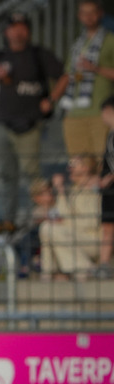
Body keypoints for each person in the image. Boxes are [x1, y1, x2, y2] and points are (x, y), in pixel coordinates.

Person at [0, 12, 68, 235]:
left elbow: (64, 77)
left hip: (29, 125)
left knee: (32, 173)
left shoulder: (37, 54)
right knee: (7, 174)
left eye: (22, 27)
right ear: (6, 32)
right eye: (13, 27)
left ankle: (45, 215)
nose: (18, 31)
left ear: (28, 30)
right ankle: (9, 220)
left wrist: (51, 99)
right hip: (3, 124)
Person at [61, 0, 114, 157]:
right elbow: (69, 75)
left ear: (100, 14)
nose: (89, 17)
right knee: (79, 167)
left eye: (92, 12)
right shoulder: (78, 43)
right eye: (84, 13)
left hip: (101, 113)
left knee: (103, 163)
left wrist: (95, 68)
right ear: (79, 16)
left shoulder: (110, 40)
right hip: (74, 113)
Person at [39, 155, 104, 280]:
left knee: (51, 228)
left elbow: (92, 222)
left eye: (74, 164)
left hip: (95, 239)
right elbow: (62, 214)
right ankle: (48, 273)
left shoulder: (96, 189)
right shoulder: (74, 190)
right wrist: (60, 191)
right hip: (77, 236)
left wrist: (65, 223)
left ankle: (84, 268)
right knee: (46, 227)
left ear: (85, 168)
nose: (69, 167)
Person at [95, 95, 114, 278]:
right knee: (107, 227)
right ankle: (104, 264)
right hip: (108, 191)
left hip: (111, 186)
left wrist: (109, 177)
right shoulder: (109, 134)